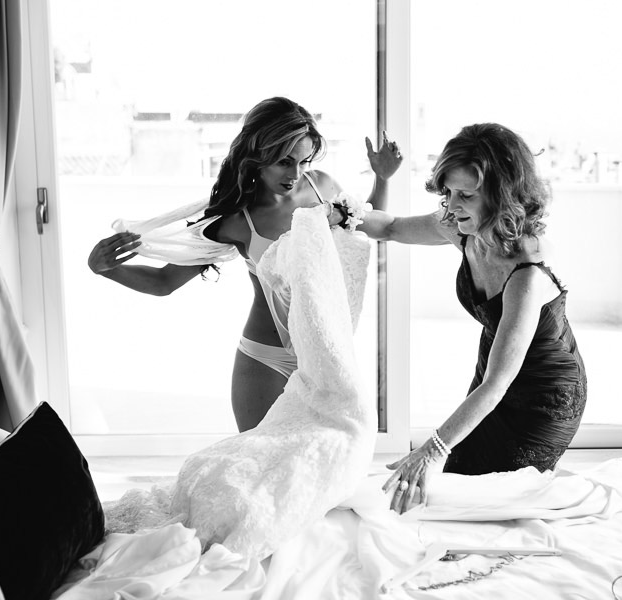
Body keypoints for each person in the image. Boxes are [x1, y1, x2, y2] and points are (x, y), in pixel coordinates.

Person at [87, 97, 402, 432]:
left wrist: (383, 178)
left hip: (326, 357)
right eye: (284, 162)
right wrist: (106, 268)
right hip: (265, 359)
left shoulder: (321, 186)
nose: (295, 174)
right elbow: (164, 283)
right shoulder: (237, 220)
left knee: (322, 467)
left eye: (304, 160)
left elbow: (368, 227)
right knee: (258, 470)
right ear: (258, 156)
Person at [357, 123, 587, 513]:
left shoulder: (527, 272)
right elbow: (391, 228)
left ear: (501, 196)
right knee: (450, 487)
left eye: (465, 195)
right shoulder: (460, 228)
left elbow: (498, 383)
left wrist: (432, 448)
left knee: (479, 500)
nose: (451, 205)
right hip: (493, 379)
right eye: (447, 192)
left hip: (541, 398)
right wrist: (332, 215)